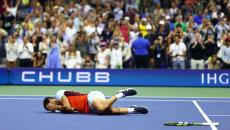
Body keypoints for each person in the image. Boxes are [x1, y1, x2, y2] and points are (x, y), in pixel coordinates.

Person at [43, 88, 148, 115]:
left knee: (102, 108)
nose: (50, 109)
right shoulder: (60, 110)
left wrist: (57, 108)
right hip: (89, 108)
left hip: (91, 97)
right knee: (110, 111)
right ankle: (133, 109)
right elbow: (70, 109)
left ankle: (122, 93)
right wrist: (58, 109)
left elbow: (67, 106)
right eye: (49, 109)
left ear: (51, 100)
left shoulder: (59, 94)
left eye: (49, 106)